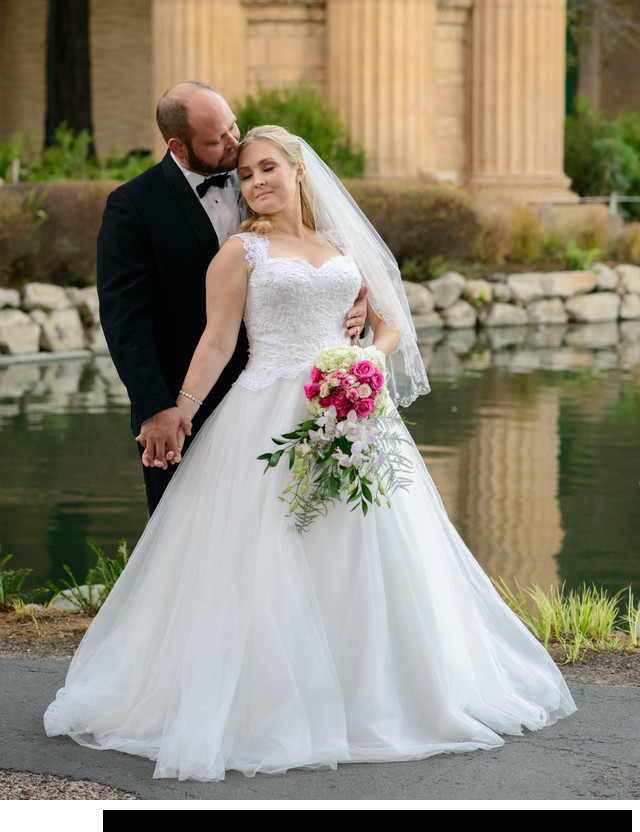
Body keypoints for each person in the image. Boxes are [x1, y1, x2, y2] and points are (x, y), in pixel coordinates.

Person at [45, 126, 576, 782]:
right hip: (265, 412)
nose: (256, 182)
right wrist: (179, 406)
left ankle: (374, 695)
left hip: (352, 408)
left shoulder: (344, 247)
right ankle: (265, 702)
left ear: (298, 170)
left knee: (367, 550)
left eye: (267, 168)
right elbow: (216, 343)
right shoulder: (240, 252)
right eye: (244, 175)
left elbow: (391, 326)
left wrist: (362, 366)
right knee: (265, 552)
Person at [96, 81, 366, 513]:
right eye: (217, 139)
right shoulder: (133, 206)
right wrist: (158, 407)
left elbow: (308, 270)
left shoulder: (257, 175)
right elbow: (124, 318)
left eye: (233, 127)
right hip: (185, 402)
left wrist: (353, 303)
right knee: (190, 534)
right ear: (178, 147)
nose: (233, 143)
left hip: (298, 395)